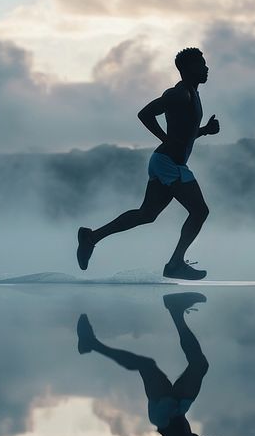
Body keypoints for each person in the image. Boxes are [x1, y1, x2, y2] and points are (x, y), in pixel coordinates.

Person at [76, 292, 218, 436]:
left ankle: (93, 343)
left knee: (166, 366)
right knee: (190, 365)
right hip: (175, 414)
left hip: (167, 416)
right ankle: (174, 312)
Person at [77, 47, 219, 280]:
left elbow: (183, 133)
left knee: (147, 214)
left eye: (205, 64)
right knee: (199, 211)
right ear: (186, 69)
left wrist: (204, 131)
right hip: (168, 163)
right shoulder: (179, 93)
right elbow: (145, 113)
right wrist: (165, 139)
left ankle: (91, 237)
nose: (206, 68)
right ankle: (175, 264)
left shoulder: (192, 94)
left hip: (166, 162)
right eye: (200, 65)